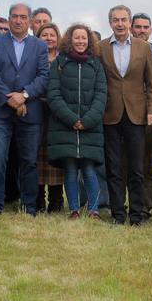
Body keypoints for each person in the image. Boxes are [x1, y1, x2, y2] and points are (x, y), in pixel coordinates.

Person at [0, 3, 49, 216]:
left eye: (23, 17)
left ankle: (29, 206)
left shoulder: (39, 45)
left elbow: (43, 76)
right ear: (8, 19)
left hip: (30, 111)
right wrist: (8, 98)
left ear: (29, 20)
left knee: (29, 161)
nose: (18, 20)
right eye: (14, 16)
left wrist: (24, 96)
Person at [98, 4, 152, 226]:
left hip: (137, 115)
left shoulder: (144, 48)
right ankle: (118, 214)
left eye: (124, 20)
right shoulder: (101, 47)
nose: (120, 24)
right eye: (116, 20)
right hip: (110, 114)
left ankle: (136, 215)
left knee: (137, 168)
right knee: (114, 167)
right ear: (110, 23)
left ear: (130, 23)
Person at [47, 23, 107, 219]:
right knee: (71, 169)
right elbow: (54, 95)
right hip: (65, 127)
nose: (80, 41)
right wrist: (72, 119)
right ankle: (73, 209)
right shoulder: (59, 63)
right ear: (69, 40)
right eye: (77, 37)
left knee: (89, 169)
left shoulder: (96, 65)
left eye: (84, 38)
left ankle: (93, 210)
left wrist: (87, 120)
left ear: (89, 40)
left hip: (90, 127)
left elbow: (101, 95)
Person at [130, 12, 152, 218]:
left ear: (150, 30)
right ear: (132, 28)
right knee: (126, 163)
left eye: (145, 27)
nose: (142, 30)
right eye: (138, 26)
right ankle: (128, 204)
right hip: (126, 115)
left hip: (150, 119)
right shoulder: (121, 51)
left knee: (148, 165)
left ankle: (145, 207)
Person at [35, 23, 65, 213]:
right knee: (35, 157)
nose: (48, 38)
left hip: (58, 115)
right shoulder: (33, 58)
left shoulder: (65, 60)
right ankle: (37, 200)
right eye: (44, 35)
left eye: (52, 35)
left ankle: (56, 200)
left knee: (57, 157)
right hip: (36, 112)